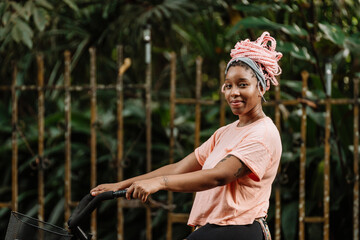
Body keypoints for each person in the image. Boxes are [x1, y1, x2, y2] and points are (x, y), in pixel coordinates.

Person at [90, 31, 283, 240]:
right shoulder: (226, 132)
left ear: (261, 87)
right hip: (215, 228)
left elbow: (219, 176)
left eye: (242, 84)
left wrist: (160, 183)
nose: (233, 92)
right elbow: (179, 168)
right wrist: (122, 184)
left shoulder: (263, 134)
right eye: (228, 85)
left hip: (238, 229)